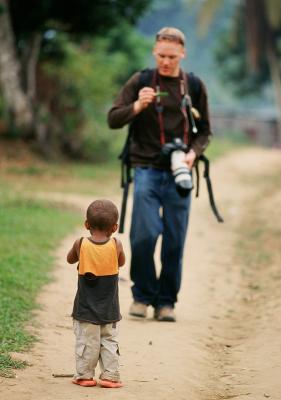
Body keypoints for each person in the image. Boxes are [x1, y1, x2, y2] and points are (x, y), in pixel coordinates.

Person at [107, 27, 212, 322]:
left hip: (180, 171)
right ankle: (142, 295)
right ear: (155, 52)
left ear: (183, 54)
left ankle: (166, 302)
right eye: (161, 55)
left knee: (175, 240)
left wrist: (193, 154)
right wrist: (138, 105)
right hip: (146, 168)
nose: (166, 61)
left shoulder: (193, 85)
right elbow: (113, 118)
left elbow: (205, 132)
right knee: (143, 236)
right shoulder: (140, 81)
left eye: (172, 56)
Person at [67, 199, 125, 388]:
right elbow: (121, 263)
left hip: (85, 310)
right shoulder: (116, 245)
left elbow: (70, 260)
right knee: (109, 341)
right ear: (115, 227)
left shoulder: (81, 243)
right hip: (109, 309)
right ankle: (110, 376)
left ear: (86, 224)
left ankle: (84, 376)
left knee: (87, 342)